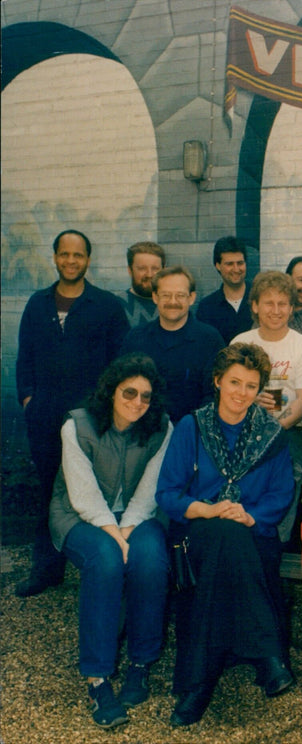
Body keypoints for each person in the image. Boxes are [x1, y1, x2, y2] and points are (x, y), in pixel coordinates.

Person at [156, 343, 296, 727]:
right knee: (221, 533)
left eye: (251, 386)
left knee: (230, 539)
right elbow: (167, 493)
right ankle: (268, 655)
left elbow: (281, 494)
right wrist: (210, 509)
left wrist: (248, 517)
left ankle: (196, 684)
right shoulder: (192, 426)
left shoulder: (272, 435)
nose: (241, 393)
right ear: (218, 381)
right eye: (234, 382)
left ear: (260, 391)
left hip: (253, 532)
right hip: (197, 534)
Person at [49, 354, 172, 728]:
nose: (137, 402)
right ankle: (98, 678)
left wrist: (128, 529)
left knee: (150, 557)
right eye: (129, 392)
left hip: (138, 515)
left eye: (145, 396)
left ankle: (140, 663)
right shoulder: (78, 425)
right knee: (104, 559)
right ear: (112, 391)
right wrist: (111, 534)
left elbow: (151, 490)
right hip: (78, 514)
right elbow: (83, 495)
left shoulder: (161, 428)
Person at [15, 229, 130, 597]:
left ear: (88, 260)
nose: (70, 261)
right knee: (51, 491)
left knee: (95, 492)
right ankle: (47, 569)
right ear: (55, 257)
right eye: (64, 254)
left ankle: (103, 569)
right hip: (45, 418)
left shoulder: (107, 306)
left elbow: (121, 363)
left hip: (91, 420)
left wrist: (108, 411)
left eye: (78, 255)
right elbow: (24, 358)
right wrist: (29, 400)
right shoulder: (38, 303)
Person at [231, 270, 302, 542]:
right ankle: (239, 534)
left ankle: (274, 542)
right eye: (268, 303)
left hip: (288, 430)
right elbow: (226, 392)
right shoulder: (241, 343)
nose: (276, 310)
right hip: (242, 424)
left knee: (290, 473)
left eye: (283, 304)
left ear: (292, 309)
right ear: (255, 306)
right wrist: (249, 400)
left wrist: (276, 429)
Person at [120, 266, 225, 423]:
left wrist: (190, 429)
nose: (173, 302)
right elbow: (121, 387)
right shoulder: (135, 338)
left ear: (191, 298)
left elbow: (216, 394)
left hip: (193, 434)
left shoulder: (210, 339)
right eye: (166, 295)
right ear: (155, 297)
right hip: (142, 434)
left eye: (180, 295)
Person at [196, 236, 254, 343]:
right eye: (229, 264)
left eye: (240, 263)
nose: (236, 269)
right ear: (218, 265)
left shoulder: (260, 298)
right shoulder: (207, 307)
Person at [118, 241, 166, 327]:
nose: (149, 274)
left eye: (155, 268)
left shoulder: (174, 304)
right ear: (130, 270)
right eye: (142, 268)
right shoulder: (117, 305)